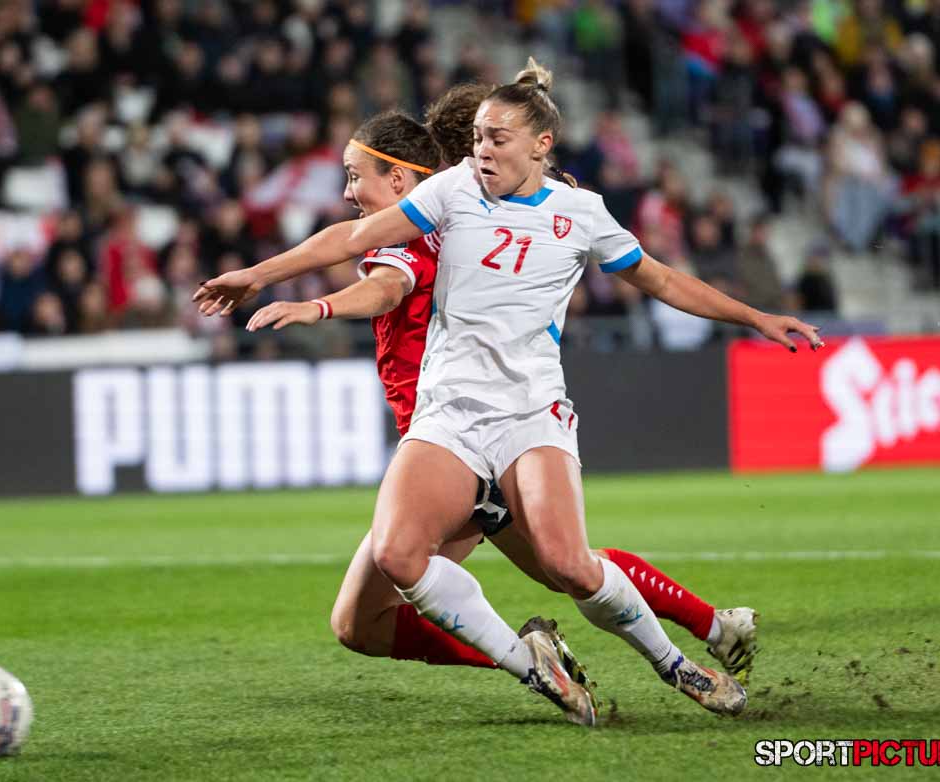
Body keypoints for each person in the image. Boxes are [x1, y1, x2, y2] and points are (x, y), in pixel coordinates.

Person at [196, 59, 821, 727]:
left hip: (527, 413)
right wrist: (261, 275)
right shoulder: (451, 192)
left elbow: (659, 279)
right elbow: (352, 238)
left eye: (496, 138)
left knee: (561, 567)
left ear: (539, 144)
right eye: (477, 139)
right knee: (415, 574)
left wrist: (753, 317)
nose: (482, 151)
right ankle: (569, 657)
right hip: (447, 419)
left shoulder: (577, 213)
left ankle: (669, 660)